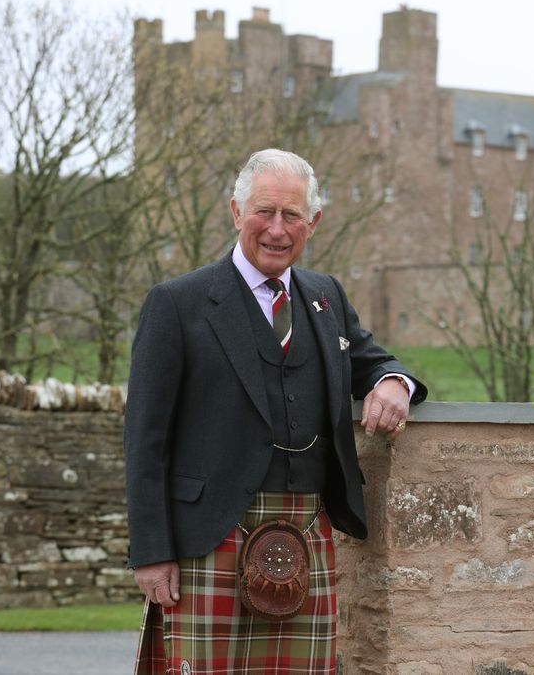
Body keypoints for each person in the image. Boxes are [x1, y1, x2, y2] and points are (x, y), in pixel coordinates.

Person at [124, 148, 427, 674]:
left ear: (313, 222)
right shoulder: (178, 303)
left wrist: (393, 384)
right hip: (208, 536)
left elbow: (371, 361)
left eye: (292, 216)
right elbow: (144, 440)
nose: (277, 229)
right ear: (236, 212)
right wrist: (151, 552)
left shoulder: (324, 296)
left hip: (307, 530)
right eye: (265, 211)